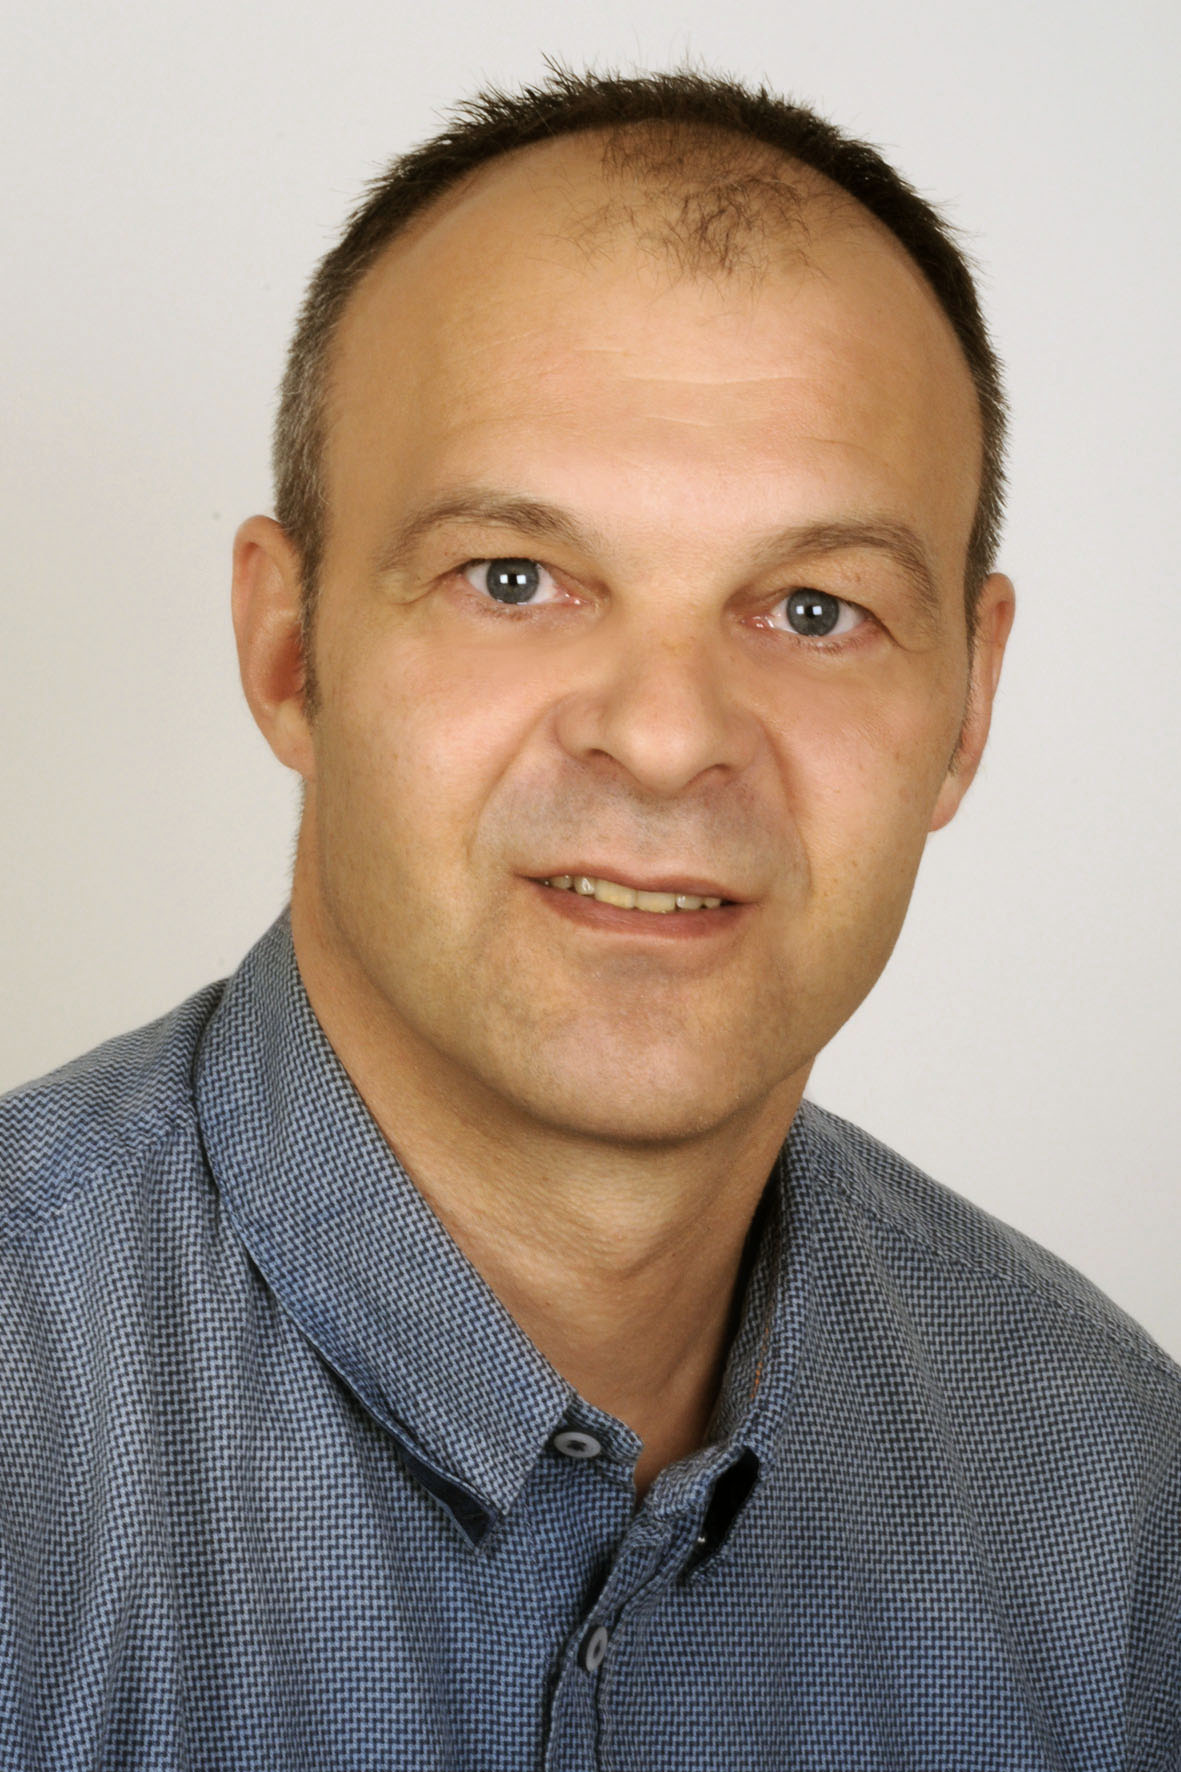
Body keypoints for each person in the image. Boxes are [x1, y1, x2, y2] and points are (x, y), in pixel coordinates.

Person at [1, 65, 1177, 1771]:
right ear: (290, 649)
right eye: (513, 580)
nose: (668, 735)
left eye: (811, 608)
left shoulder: (1117, 1507)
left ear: (966, 705)